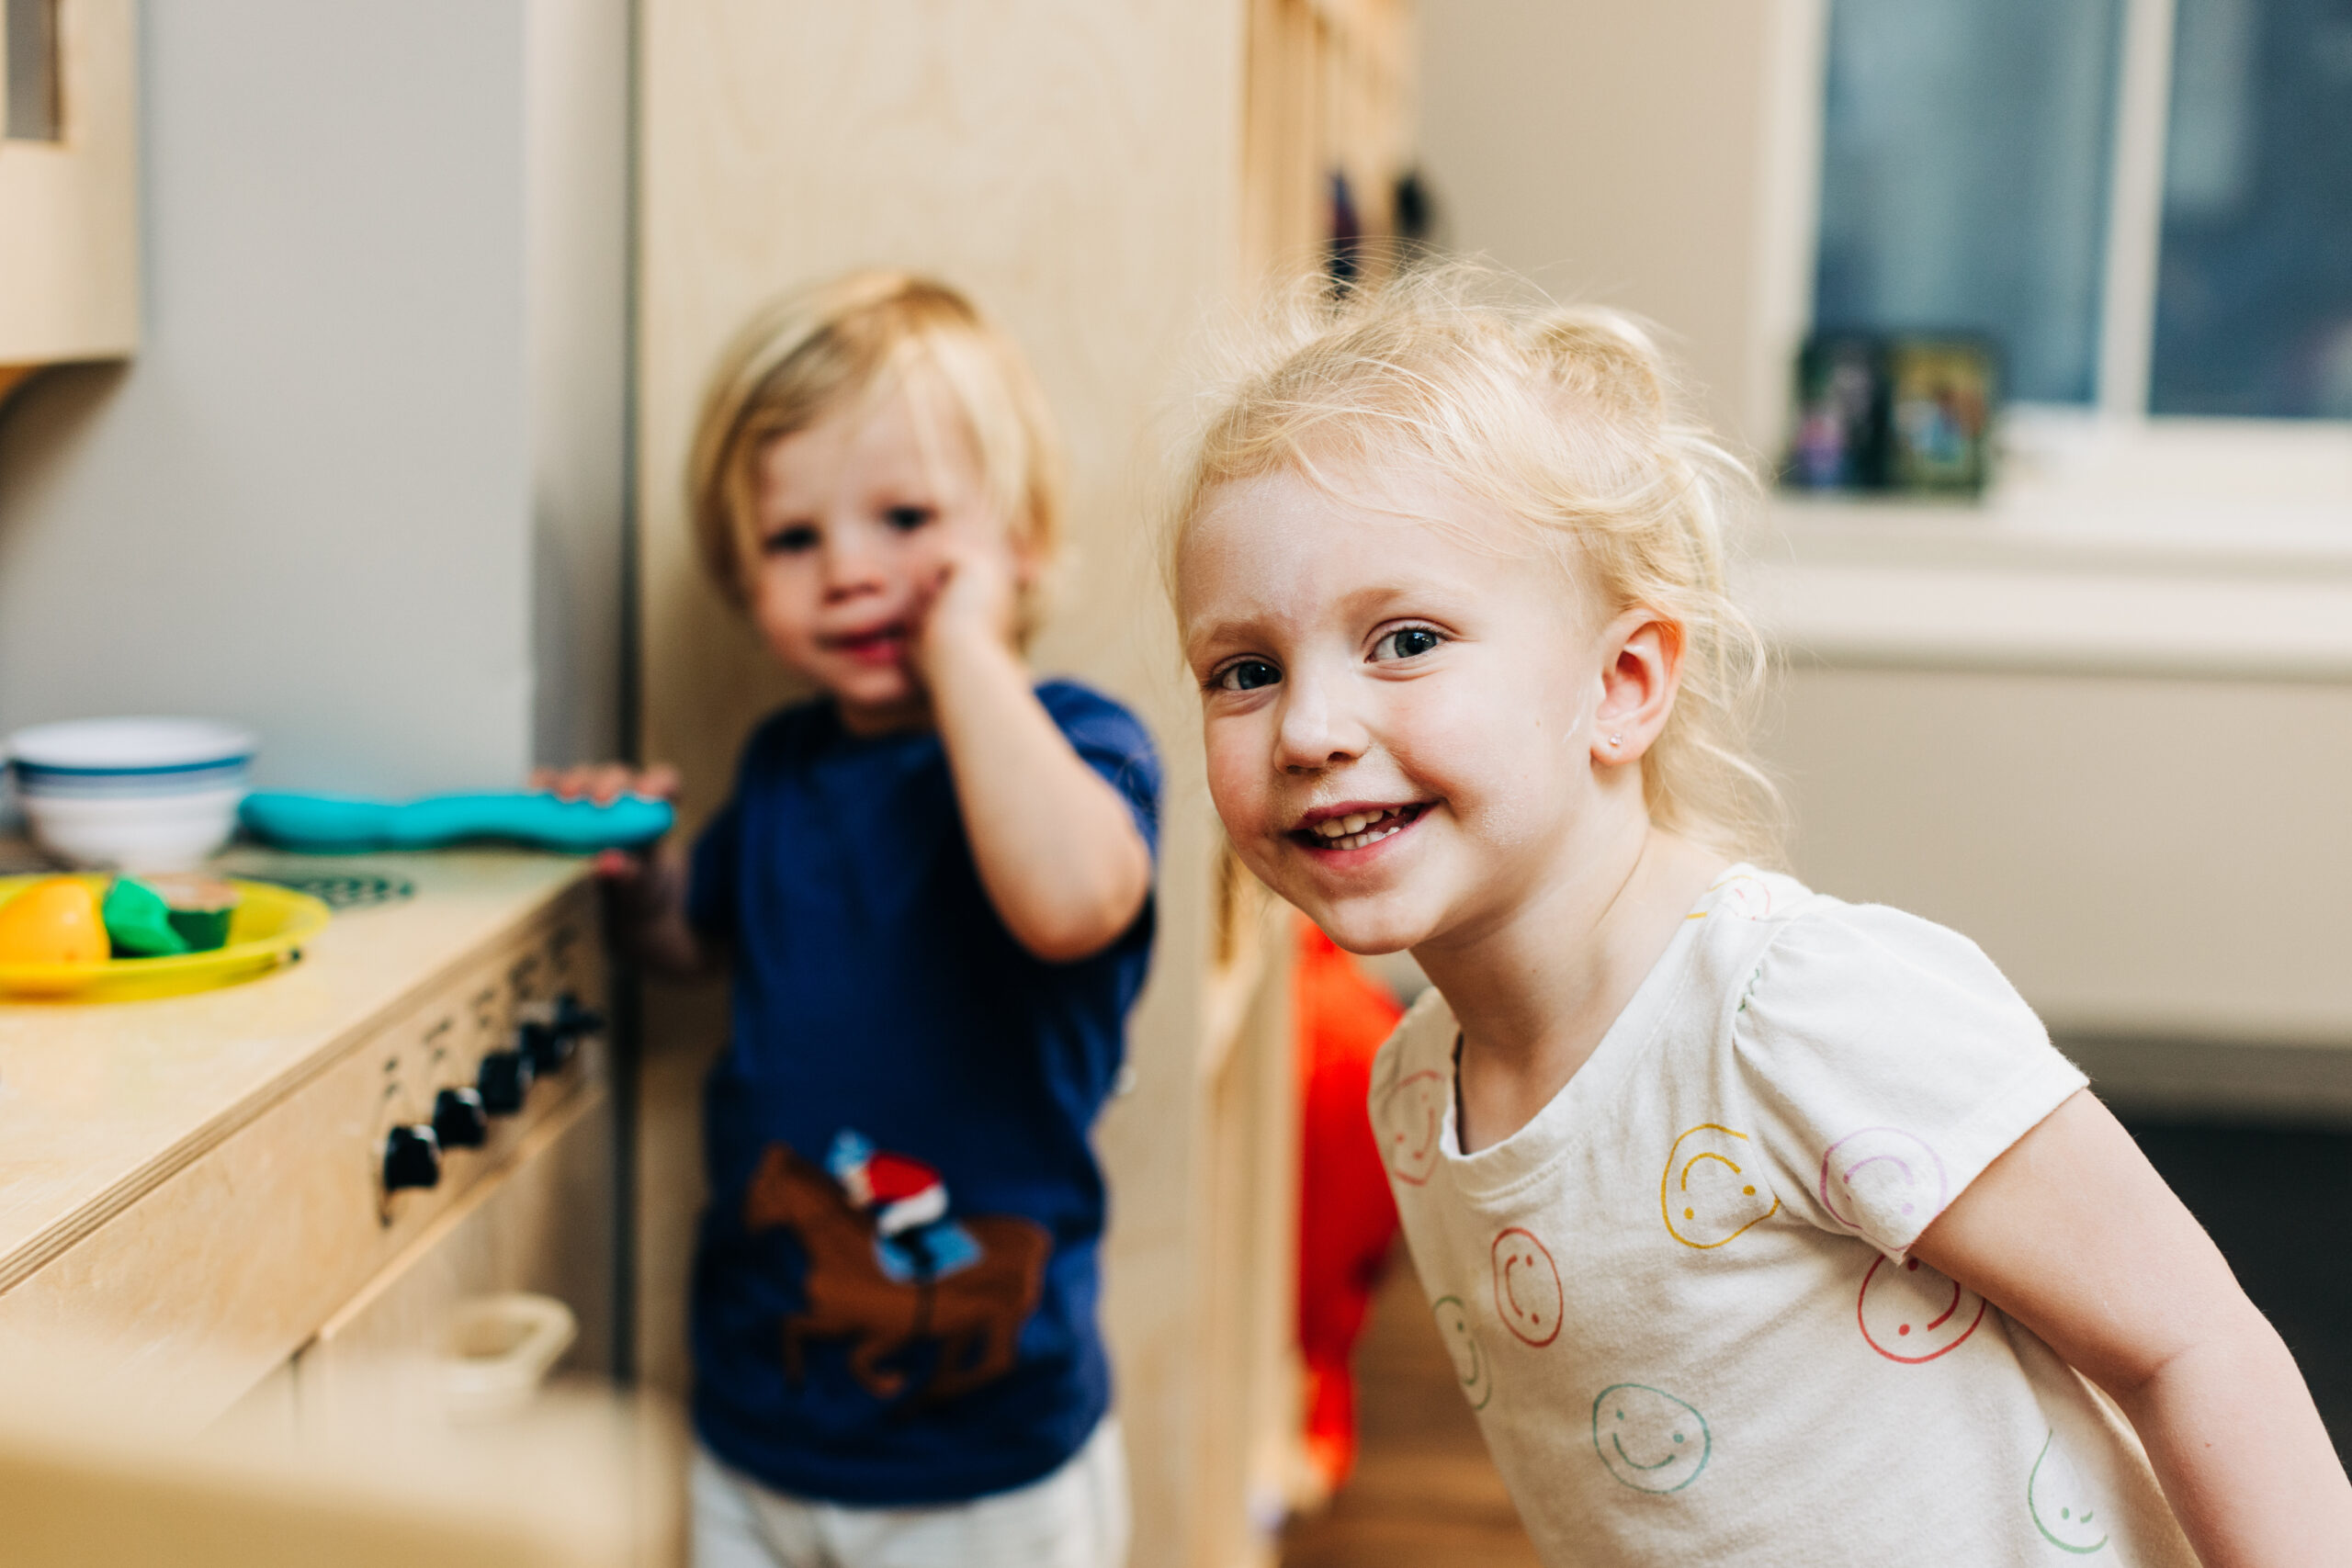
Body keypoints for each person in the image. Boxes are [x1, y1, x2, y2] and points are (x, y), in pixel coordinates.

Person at [1162, 266, 2352, 1564]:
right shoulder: (1410, 1088)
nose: (1312, 729)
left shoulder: (1794, 1012)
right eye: (1247, 671)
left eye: (1404, 641)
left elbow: (2195, 1346)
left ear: (1623, 684)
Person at [543, 272, 1155, 1568]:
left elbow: (1072, 902)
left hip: (982, 1460)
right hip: (756, 1424)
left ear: (1021, 546)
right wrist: (644, 887)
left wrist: (970, 650)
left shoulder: (1075, 746)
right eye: (794, 539)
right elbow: (696, 951)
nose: (853, 571)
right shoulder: (779, 770)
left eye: (907, 519)